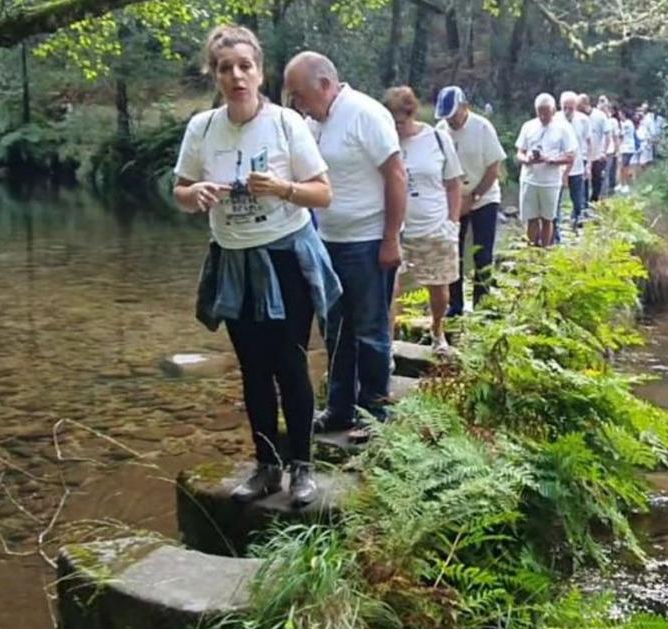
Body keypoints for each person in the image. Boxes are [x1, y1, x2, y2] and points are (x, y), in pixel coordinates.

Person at [174, 26, 339, 506]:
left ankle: (302, 468)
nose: (236, 76)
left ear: (260, 72)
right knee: (252, 368)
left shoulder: (287, 124)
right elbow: (180, 191)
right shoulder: (202, 129)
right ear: (215, 75)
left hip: (287, 256)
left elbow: (323, 192)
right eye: (226, 68)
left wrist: (283, 189)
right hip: (233, 259)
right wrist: (195, 194)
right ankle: (266, 465)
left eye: (245, 66)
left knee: (289, 362)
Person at [283, 51, 407, 435]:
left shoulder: (366, 114)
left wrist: (391, 239)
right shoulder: (312, 123)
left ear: (324, 84)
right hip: (326, 240)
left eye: (300, 95)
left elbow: (397, 176)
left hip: (367, 241)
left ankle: (375, 414)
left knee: (370, 330)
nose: (297, 104)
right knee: (336, 330)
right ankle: (339, 409)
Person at [383, 86, 463, 354]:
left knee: (439, 290)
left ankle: (437, 330)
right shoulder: (385, 143)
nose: (397, 127)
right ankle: (388, 343)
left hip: (434, 226)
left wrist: (452, 222)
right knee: (389, 290)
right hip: (397, 231)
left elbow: (453, 183)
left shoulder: (437, 139)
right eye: (392, 122)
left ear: (411, 113)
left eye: (401, 121)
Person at [435, 85, 506, 316]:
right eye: (447, 117)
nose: (451, 122)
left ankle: (482, 305)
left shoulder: (482, 127)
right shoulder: (441, 130)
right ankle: (455, 305)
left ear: (464, 107)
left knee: (482, 253)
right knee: (453, 251)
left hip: (484, 196)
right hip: (455, 198)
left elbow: (493, 169)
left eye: (454, 115)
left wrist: (473, 197)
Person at [516, 93, 575, 248]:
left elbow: (570, 156)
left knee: (547, 218)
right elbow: (519, 152)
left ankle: (545, 250)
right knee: (531, 218)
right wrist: (527, 159)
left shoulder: (563, 129)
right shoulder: (528, 126)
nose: (542, 116)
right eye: (539, 113)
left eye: (546, 113)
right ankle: (531, 251)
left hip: (550, 181)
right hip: (529, 178)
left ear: (554, 110)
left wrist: (550, 160)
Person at [559, 91, 590, 227]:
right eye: (564, 107)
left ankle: (577, 223)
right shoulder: (555, 119)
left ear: (576, 107)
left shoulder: (583, 120)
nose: (567, 111)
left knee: (578, 200)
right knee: (556, 201)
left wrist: (588, 163)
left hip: (577, 166)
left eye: (570, 108)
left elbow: (589, 142)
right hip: (558, 166)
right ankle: (556, 229)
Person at [585, 94, 610, 202]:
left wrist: (604, 151)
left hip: (598, 153)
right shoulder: (579, 116)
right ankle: (584, 202)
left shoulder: (600, 116)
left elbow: (607, 134)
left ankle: (595, 199)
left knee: (597, 178)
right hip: (585, 153)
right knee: (584, 178)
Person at [617, 107, 637, 193]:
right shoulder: (627, 123)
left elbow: (621, 135)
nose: (619, 116)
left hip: (627, 148)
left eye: (620, 114)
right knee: (622, 167)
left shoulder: (627, 124)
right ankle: (621, 184)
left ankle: (626, 185)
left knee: (625, 167)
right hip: (625, 147)